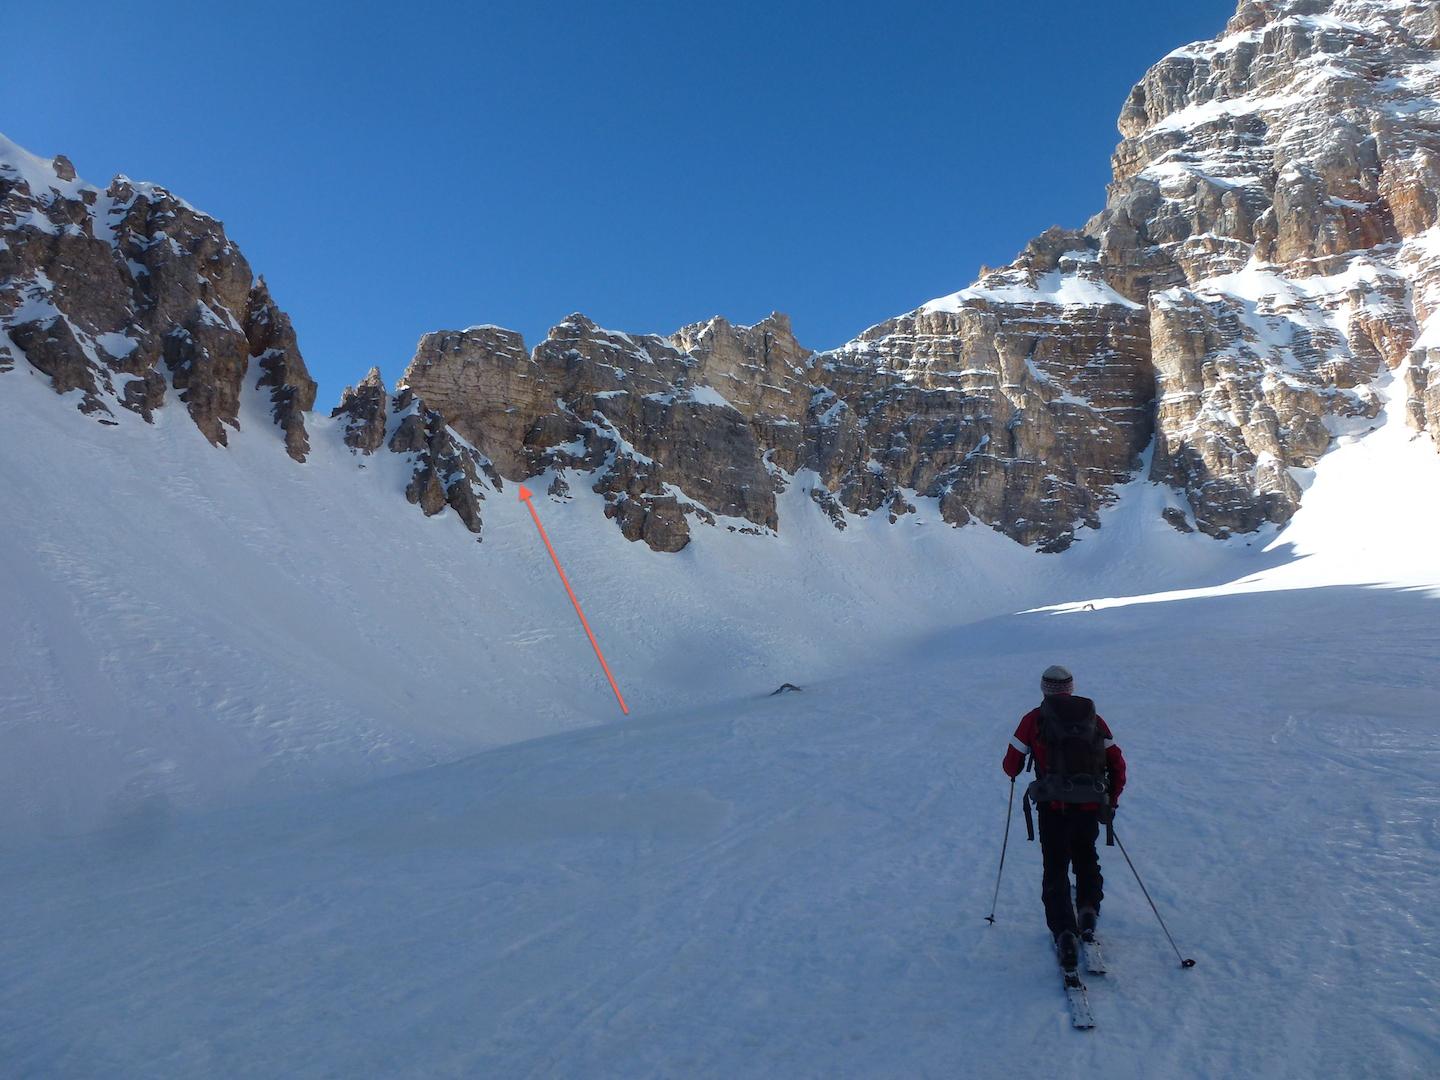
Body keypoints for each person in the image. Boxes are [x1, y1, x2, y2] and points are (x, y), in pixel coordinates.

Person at [1002, 665, 1126, 970]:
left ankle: (1064, 932)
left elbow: (1011, 766)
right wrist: (1112, 799)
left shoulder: (1033, 719)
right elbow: (1117, 763)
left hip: (1053, 806)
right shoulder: (1093, 718)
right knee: (1086, 856)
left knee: (1055, 865)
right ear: (1071, 688)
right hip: (1088, 803)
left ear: (1044, 689)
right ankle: (1087, 912)